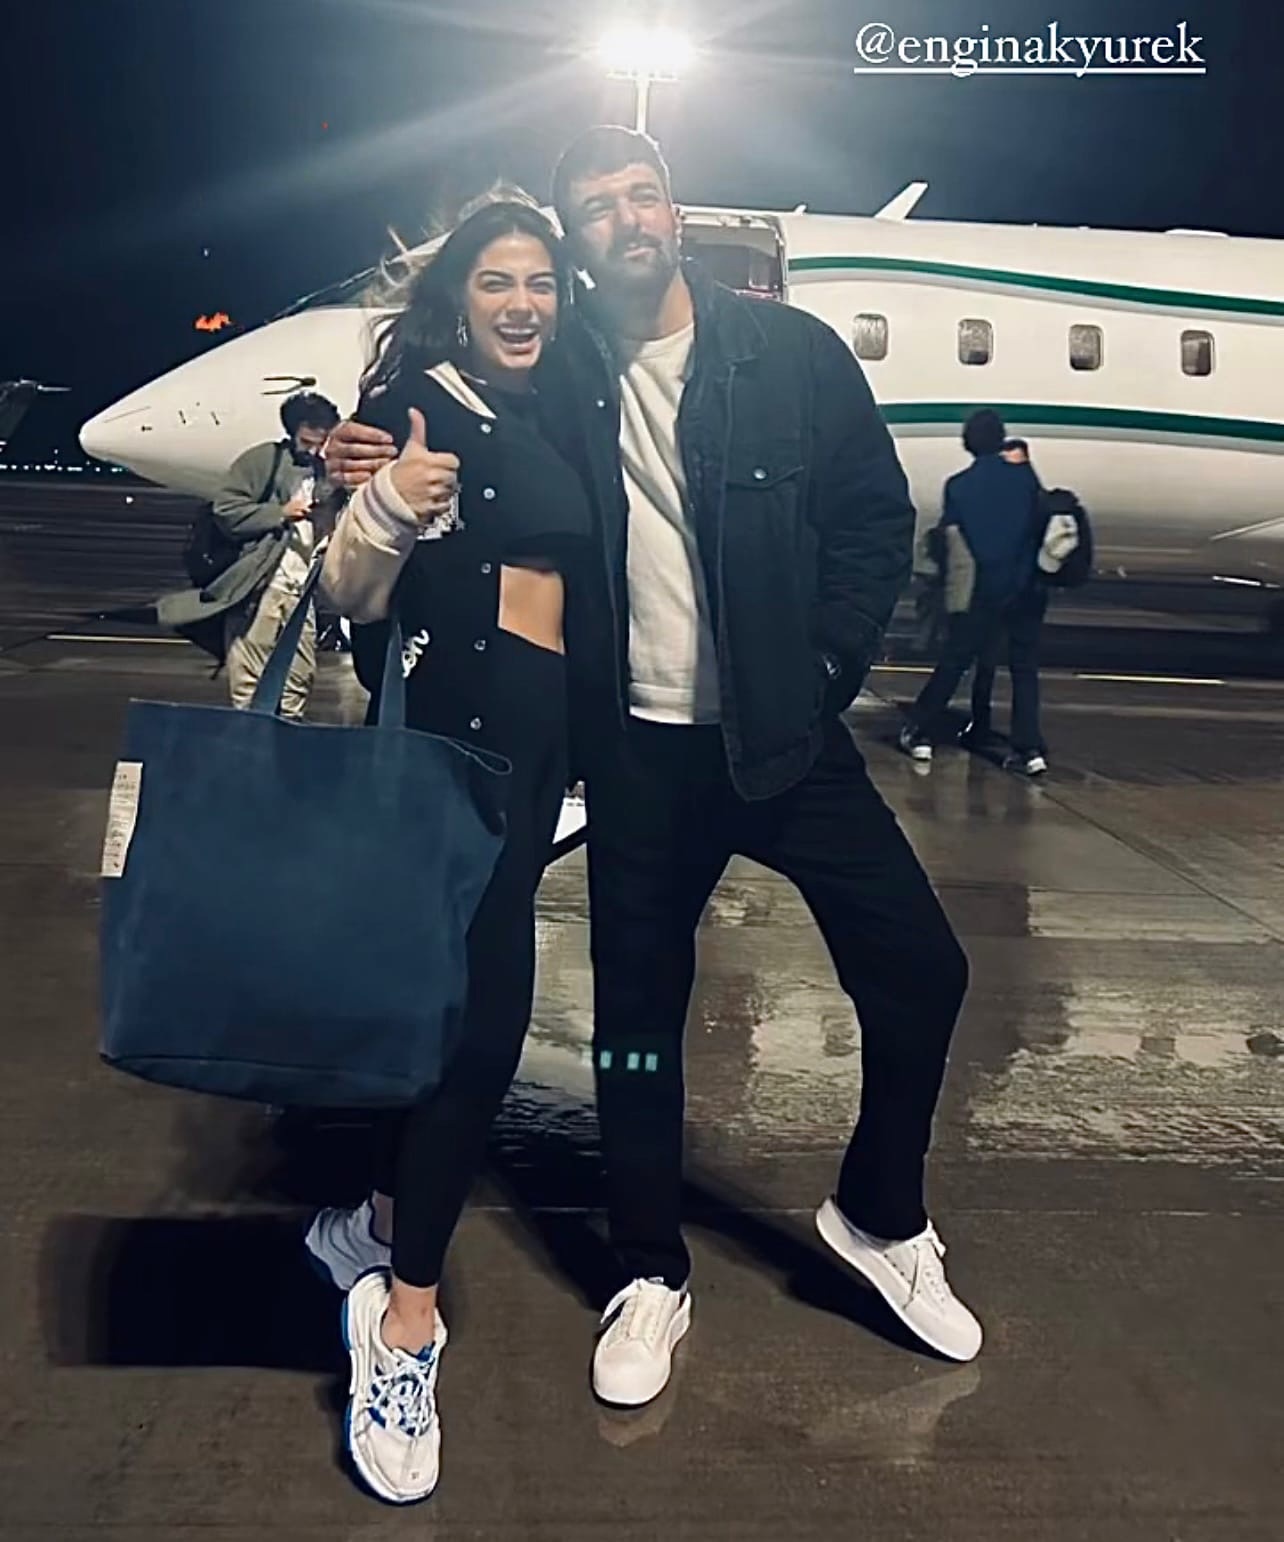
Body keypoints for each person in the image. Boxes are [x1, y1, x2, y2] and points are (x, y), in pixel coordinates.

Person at [325, 128, 981, 1413]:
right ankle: (647, 1272)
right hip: (633, 748)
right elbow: (453, 394)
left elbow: (871, 519)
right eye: (597, 207)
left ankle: (881, 1214)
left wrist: (827, 666)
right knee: (635, 1030)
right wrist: (360, 458)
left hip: (781, 739)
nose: (627, 220)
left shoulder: (787, 352)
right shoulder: (562, 367)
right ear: (578, 240)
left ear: (675, 212)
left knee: (924, 971)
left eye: (643, 195)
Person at [306, 193, 591, 1505]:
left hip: (541, 754)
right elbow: (348, 591)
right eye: (496, 282)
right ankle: (402, 1321)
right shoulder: (420, 402)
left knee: (447, 1016)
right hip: (457, 748)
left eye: (539, 281)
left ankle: (367, 1224)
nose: (521, 303)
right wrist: (384, 503)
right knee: (482, 1031)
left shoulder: (566, 403)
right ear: (458, 299)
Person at [900, 412, 1049, 774]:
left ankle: (920, 732)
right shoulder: (1025, 479)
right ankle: (1029, 750)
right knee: (1024, 671)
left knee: (955, 662)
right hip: (1025, 591)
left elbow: (953, 543)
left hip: (981, 589)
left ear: (967, 443)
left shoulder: (959, 486)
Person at [215, 391, 340, 717]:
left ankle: (287, 732)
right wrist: (280, 513)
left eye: (320, 442)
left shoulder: (325, 471)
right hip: (262, 583)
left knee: (300, 676)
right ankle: (251, 734)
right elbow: (226, 509)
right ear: (291, 431)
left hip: (302, 586)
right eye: (306, 442)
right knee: (250, 678)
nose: (313, 450)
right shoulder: (262, 461)